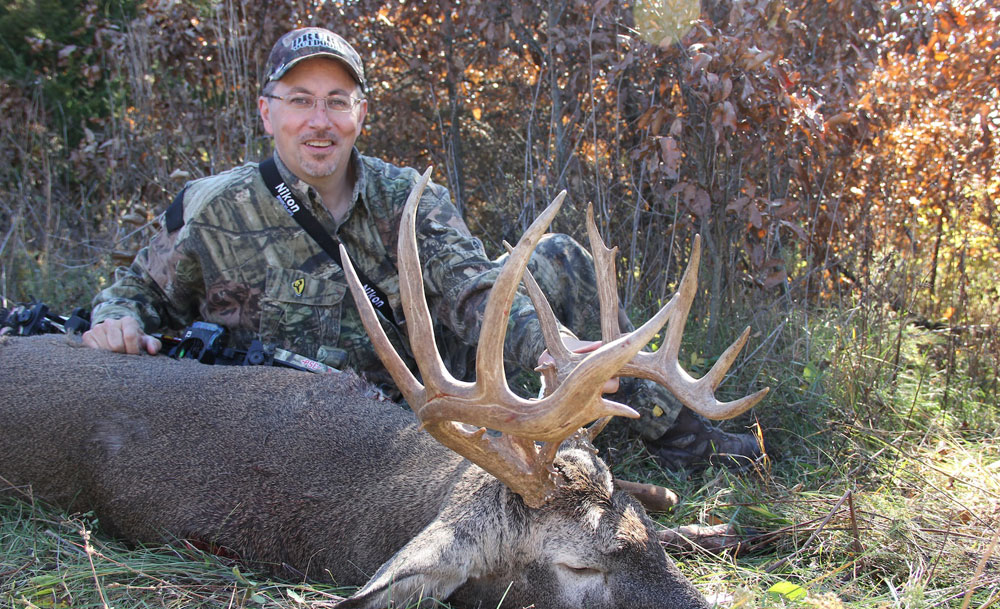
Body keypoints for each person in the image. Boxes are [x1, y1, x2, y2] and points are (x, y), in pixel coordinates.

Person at [83, 27, 763, 472]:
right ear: (267, 112)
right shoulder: (212, 206)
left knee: (554, 259)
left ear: (361, 114)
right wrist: (121, 322)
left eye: (337, 101)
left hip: (432, 395)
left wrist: (547, 348)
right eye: (299, 101)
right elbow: (136, 294)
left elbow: (474, 293)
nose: (319, 122)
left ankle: (676, 441)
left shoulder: (408, 196)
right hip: (298, 428)